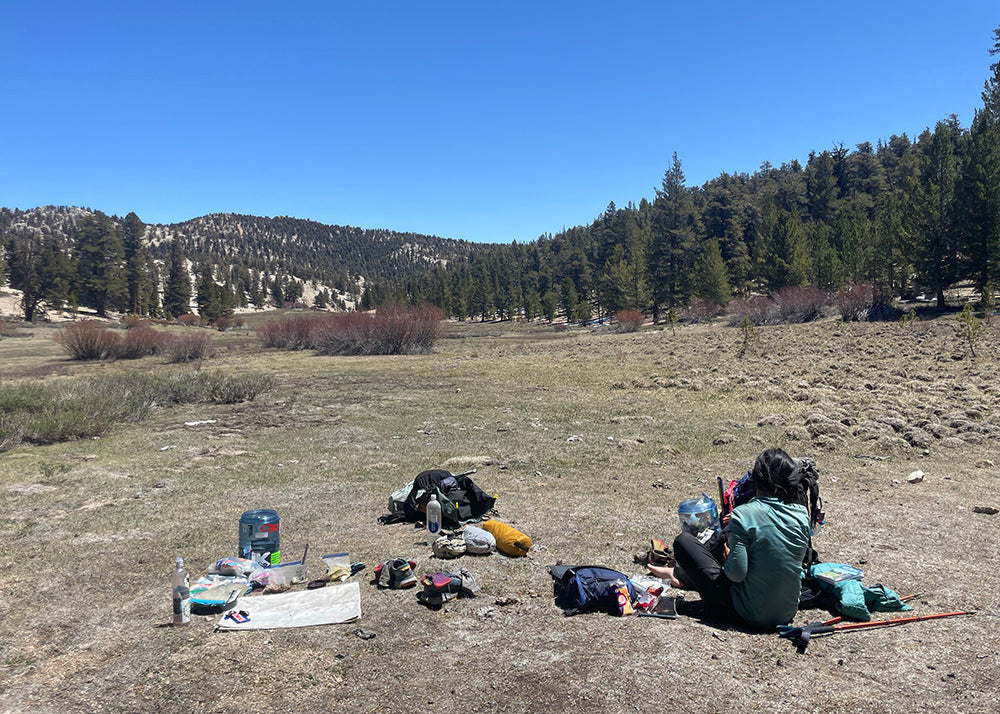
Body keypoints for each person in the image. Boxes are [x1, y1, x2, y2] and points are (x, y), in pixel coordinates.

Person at [648, 448, 811, 629]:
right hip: (786, 612)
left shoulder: (744, 514)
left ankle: (682, 576)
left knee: (683, 542)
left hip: (748, 614)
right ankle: (681, 576)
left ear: (756, 479)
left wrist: (731, 556)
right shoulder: (802, 514)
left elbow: (736, 573)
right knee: (727, 535)